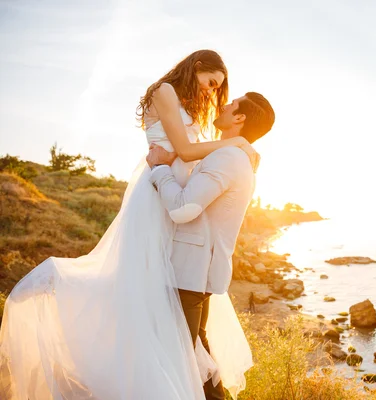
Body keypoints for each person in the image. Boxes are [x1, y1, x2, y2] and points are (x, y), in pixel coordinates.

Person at [0, 50, 260, 400]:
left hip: (172, 195)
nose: (213, 93)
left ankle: (178, 380)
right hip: (156, 195)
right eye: (211, 82)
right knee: (145, 293)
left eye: (218, 89)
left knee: (162, 302)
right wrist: (237, 142)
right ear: (197, 67)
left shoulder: (186, 103)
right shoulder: (165, 91)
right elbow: (183, 150)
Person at [146, 91, 276, 399]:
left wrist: (159, 168)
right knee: (197, 353)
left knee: (179, 358)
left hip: (189, 273)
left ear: (239, 118)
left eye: (232, 104)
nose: (224, 104)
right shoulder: (231, 155)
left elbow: (183, 209)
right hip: (196, 272)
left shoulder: (228, 158)